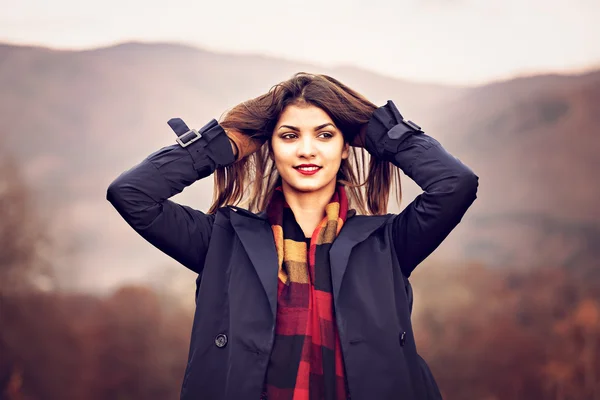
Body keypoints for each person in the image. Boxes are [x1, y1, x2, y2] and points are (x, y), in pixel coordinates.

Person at [106, 72, 479, 400]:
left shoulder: (388, 243)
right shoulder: (222, 240)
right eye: (289, 135)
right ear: (270, 146)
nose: (306, 150)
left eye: (325, 134)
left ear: (347, 146)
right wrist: (223, 144)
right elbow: (132, 194)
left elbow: (455, 185)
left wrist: (384, 134)